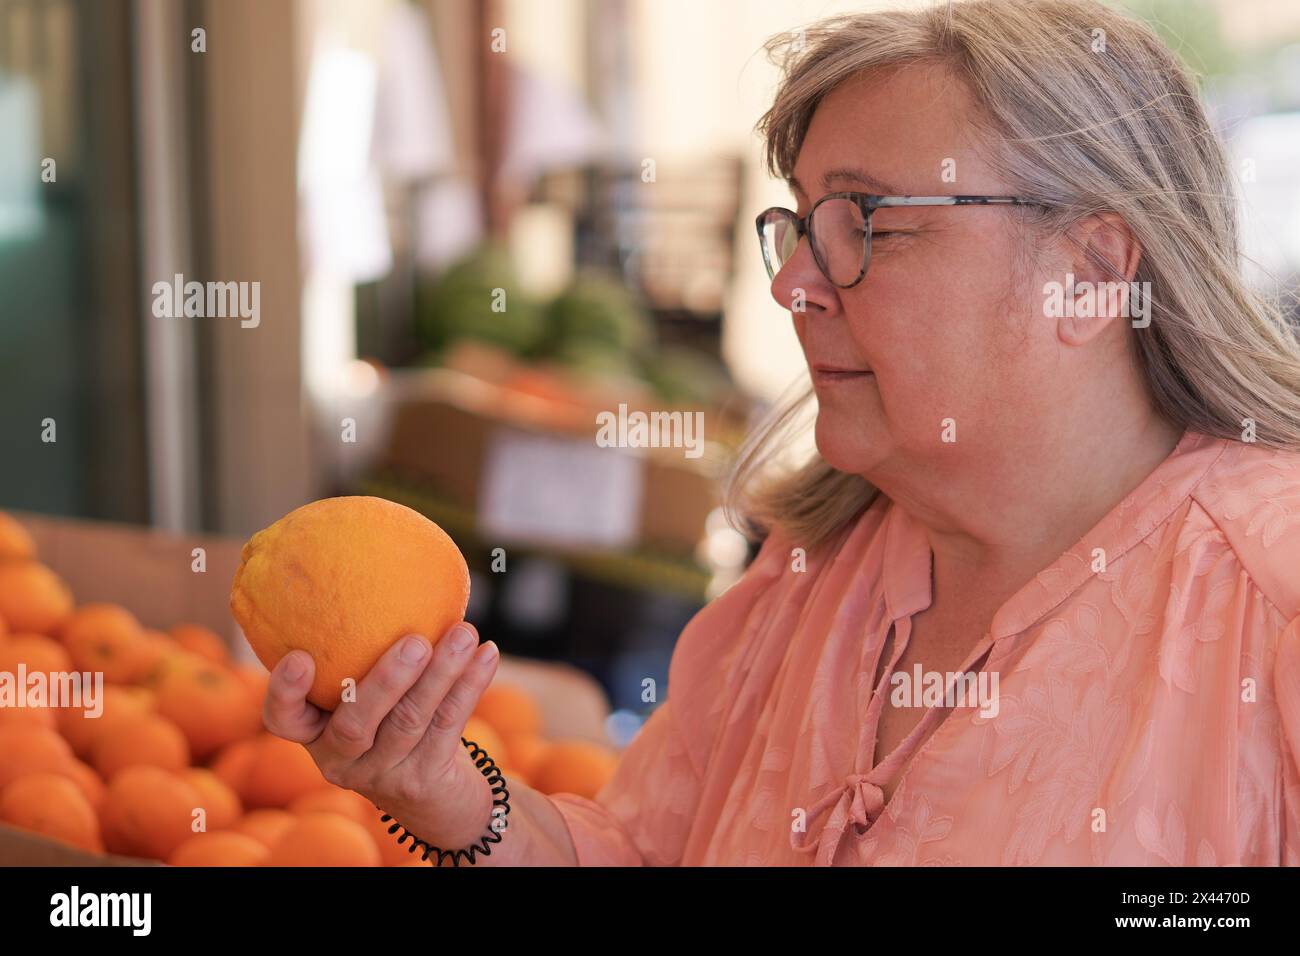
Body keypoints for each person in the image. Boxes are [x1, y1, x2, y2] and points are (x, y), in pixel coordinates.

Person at [263, 0, 1300, 865]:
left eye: (867, 223)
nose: (793, 283)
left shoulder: (1268, 601)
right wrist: (441, 788)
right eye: (800, 224)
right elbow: (644, 852)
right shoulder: (811, 574)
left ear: (1090, 274)